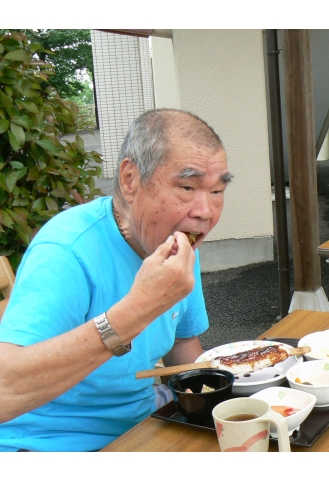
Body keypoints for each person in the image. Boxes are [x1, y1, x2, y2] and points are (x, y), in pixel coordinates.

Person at [0, 109, 232, 451]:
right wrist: (137, 309)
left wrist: (212, 395)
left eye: (217, 191)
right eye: (187, 187)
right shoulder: (66, 251)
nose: (205, 211)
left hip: (142, 427)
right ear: (130, 179)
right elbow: (5, 392)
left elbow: (182, 343)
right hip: (47, 444)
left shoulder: (174, 245)